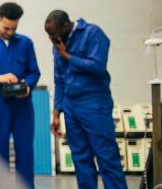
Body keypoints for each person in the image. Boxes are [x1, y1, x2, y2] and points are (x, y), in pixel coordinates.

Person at [45, 10, 126, 189]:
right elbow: (59, 79)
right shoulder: (58, 43)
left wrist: (67, 56)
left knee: (106, 156)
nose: (51, 38)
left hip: (94, 104)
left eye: (53, 33)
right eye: (48, 35)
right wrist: (57, 114)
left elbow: (98, 66)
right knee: (80, 159)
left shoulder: (92, 33)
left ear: (66, 26)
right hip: (70, 106)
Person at [0, 2, 40, 188]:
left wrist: (27, 86)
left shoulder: (25, 43)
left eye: (14, 28)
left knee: (25, 153)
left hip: (23, 106)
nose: (10, 32)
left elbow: (34, 72)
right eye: (6, 28)